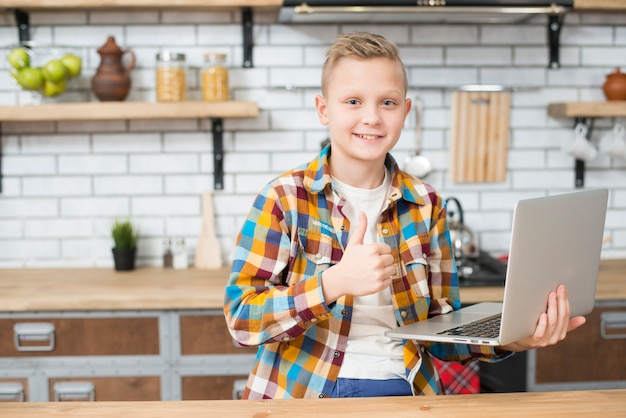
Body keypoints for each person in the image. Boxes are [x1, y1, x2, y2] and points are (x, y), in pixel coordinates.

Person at [223, 32, 585, 399]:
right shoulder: (285, 197)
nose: (372, 117)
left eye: (388, 102)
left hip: (407, 387)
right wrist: (334, 283)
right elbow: (241, 319)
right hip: (306, 392)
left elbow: (442, 332)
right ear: (323, 110)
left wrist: (515, 339)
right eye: (353, 101)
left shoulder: (427, 204)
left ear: (406, 112)